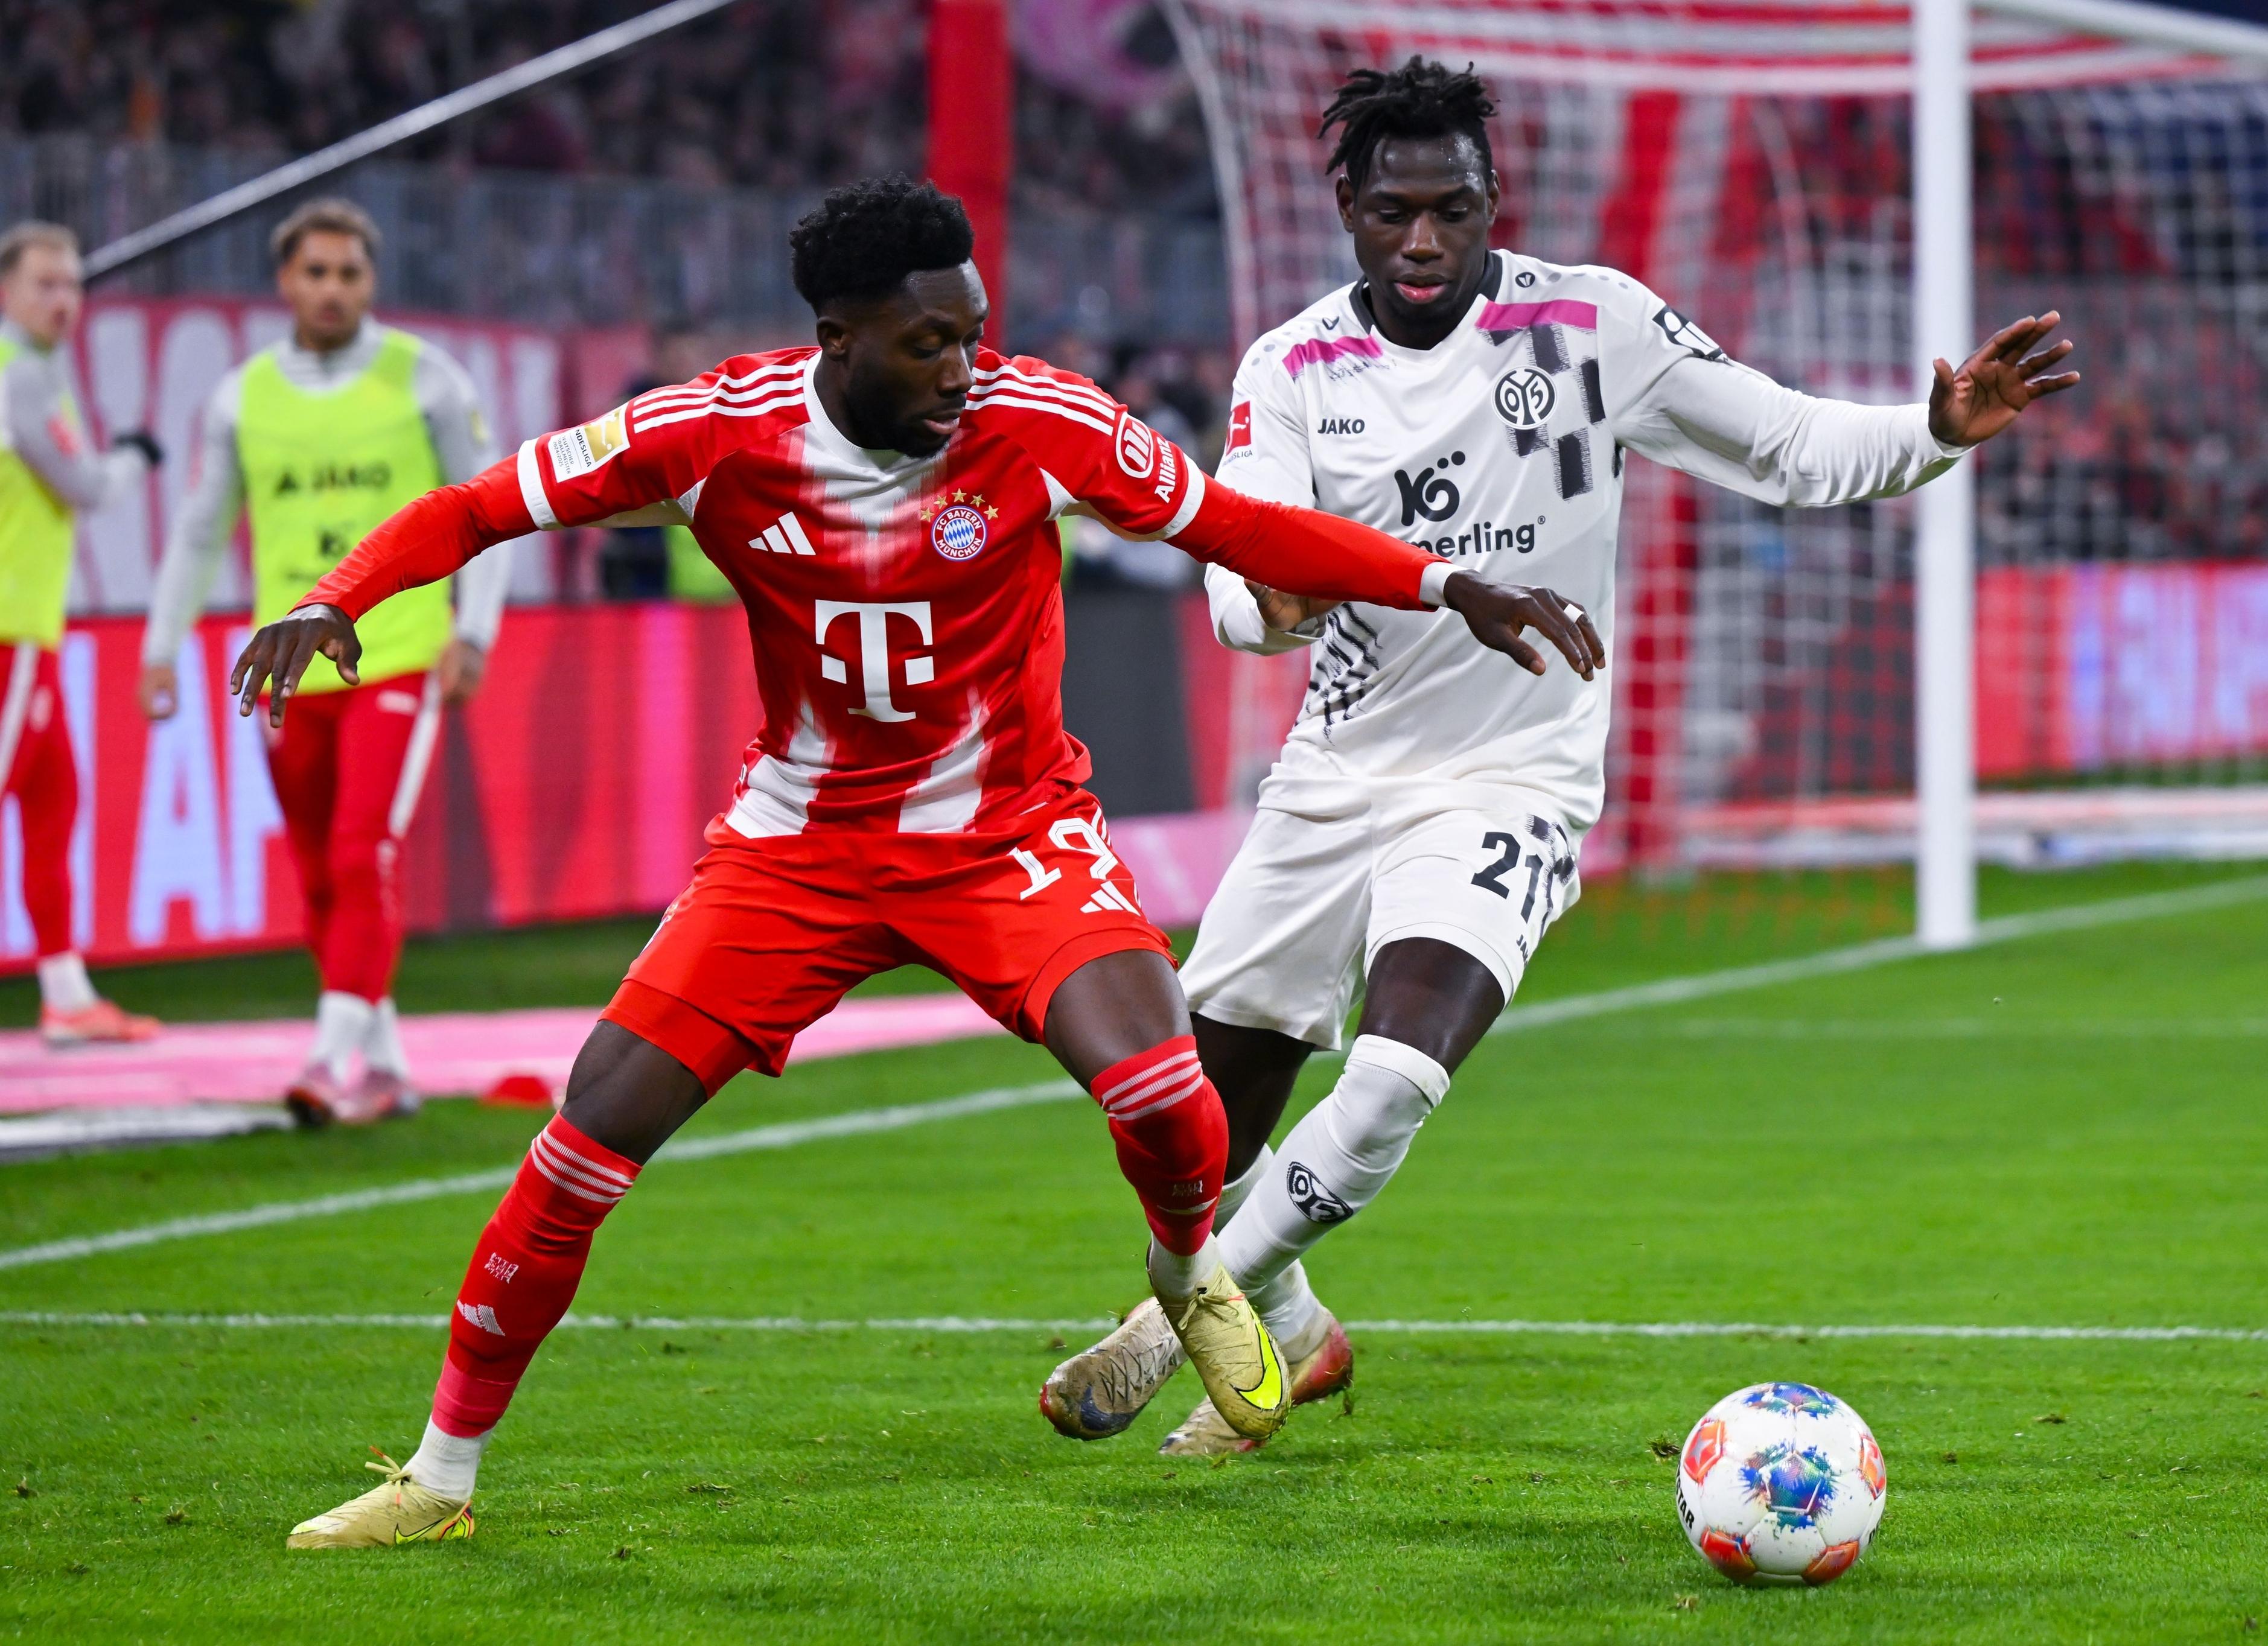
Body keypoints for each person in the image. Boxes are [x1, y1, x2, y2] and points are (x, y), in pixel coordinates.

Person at [230, 177, 1594, 1548]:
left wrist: (1439, 581)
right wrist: (331, 597)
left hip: (1007, 836)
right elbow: (477, 506)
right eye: (928, 344)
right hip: (798, 851)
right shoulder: (713, 432)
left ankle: (1190, 1274)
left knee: (1172, 1099)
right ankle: (438, 1480)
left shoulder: (1040, 422)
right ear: (838, 333)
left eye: (974, 332)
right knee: (585, 1139)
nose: (964, 370)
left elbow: (1238, 528)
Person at [1040, 58, 2082, 1456]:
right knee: (1192, 1131)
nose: (1424, 242)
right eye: (1395, 211)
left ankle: (1175, 1319)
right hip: (1335, 774)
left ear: (1491, 207)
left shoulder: (1592, 324)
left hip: (1515, 777)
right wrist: (1256, 607)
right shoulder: (1289, 367)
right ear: (1347, 204)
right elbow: (1246, 560)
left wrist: (1933, 433)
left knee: (1399, 1071)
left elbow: (1781, 440)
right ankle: (1286, 1318)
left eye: (1453, 212)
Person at [139, 198, 511, 1125]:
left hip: (396, 655)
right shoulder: (242, 396)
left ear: (370, 281)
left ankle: (325, 1060)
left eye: (349, 273)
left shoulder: (426, 379)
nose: (333, 289)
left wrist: (474, 632)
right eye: (316, 273)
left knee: (360, 850)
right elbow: (197, 531)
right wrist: (160, 645)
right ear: (286, 283)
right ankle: (383, 1065)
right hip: (287, 669)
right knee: (314, 867)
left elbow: (496, 511)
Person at [0, 221, 163, 1047]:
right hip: (9, 630)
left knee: (53, 800)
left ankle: (65, 992)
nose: (63, 300)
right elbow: (84, 485)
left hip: (29, 632)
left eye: (72, 284)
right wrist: (136, 456)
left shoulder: (29, 371)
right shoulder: (20, 375)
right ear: (6, 289)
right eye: (44, 284)